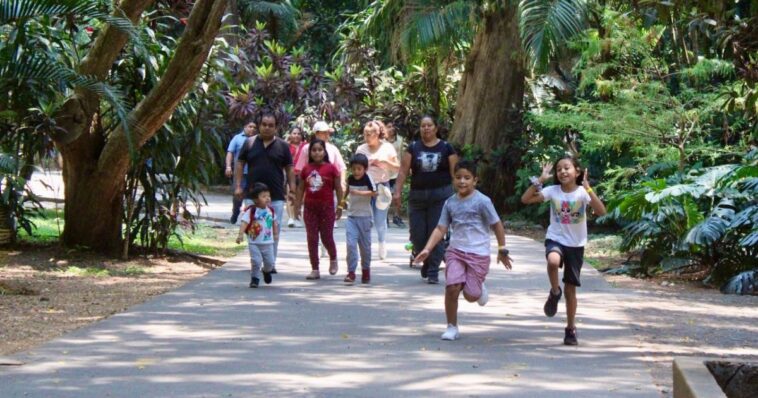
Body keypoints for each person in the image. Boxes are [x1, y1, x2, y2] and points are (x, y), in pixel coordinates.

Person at [414, 160, 513, 341]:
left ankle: (478, 288)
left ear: (475, 180)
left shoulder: (483, 202)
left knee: (471, 295)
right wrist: (427, 249)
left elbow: (497, 224)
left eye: (467, 178)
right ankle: (452, 326)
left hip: (478, 254)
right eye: (458, 177)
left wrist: (502, 248)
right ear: (453, 180)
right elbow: (441, 228)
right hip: (456, 252)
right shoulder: (450, 203)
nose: (462, 182)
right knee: (452, 288)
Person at [520, 155, 606, 345]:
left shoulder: (583, 193)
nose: (562, 172)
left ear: (577, 171)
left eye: (567, 168)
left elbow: (602, 211)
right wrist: (540, 180)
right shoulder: (552, 191)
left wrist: (589, 188)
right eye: (559, 169)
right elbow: (525, 199)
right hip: (556, 238)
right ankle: (554, 291)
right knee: (552, 261)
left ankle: (570, 328)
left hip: (576, 244)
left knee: (571, 290)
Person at [393, 115, 458, 284]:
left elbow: (455, 174)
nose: (426, 128)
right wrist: (397, 192)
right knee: (417, 235)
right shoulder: (413, 148)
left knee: (435, 233)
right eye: (423, 126)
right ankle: (427, 261)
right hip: (418, 197)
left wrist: (460, 196)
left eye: (429, 125)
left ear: (436, 128)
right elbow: (403, 172)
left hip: (441, 196)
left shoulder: (446, 148)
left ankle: (433, 271)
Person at [235, 112, 296, 270]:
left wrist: (292, 190)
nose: (267, 128)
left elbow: (290, 169)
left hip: (275, 196)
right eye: (264, 124)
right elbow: (240, 164)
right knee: (252, 228)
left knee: (273, 230)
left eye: (271, 125)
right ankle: (256, 261)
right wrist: (238, 186)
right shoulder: (249, 143)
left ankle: (270, 263)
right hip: (252, 196)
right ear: (259, 125)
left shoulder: (282, 146)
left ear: (276, 127)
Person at [294, 139, 344, 280]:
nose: (317, 153)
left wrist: (340, 206)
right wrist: (297, 206)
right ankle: (315, 268)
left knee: (327, 237)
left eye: (320, 150)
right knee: (312, 238)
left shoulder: (332, 169)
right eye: (314, 150)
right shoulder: (306, 169)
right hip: (310, 208)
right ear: (310, 152)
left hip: (327, 208)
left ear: (324, 151)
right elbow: (300, 188)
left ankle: (333, 258)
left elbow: (339, 189)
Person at [355, 120, 399, 260]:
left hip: (382, 187)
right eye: (365, 134)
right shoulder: (361, 149)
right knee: (364, 219)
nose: (367, 137)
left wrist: (385, 163)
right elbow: (355, 168)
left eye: (370, 134)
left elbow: (397, 167)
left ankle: (381, 242)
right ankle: (364, 246)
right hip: (365, 187)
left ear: (378, 133)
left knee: (380, 221)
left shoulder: (388, 148)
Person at [341, 153, 377, 284]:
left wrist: (359, 193)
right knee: (351, 245)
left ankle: (366, 270)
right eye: (354, 169)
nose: (356, 172)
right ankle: (351, 272)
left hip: (365, 217)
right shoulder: (350, 179)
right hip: (352, 216)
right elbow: (346, 192)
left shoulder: (368, 178)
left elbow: (374, 193)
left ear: (365, 169)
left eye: (359, 169)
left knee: (365, 247)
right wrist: (341, 204)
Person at [235, 183, 279, 288]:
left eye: (268, 196)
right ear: (256, 199)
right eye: (263, 196)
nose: (267, 198)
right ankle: (255, 278)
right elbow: (244, 222)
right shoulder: (252, 211)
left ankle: (266, 271)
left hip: (268, 242)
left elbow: (274, 223)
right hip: (254, 242)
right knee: (256, 261)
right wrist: (240, 234)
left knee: (270, 262)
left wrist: (276, 234)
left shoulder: (271, 211)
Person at [226, 120, 256, 224]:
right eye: (250, 126)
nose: (252, 129)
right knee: (238, 195)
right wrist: (228, 167)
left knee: (251, 196)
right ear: (245, 127)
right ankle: (235, 212)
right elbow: (230, 152)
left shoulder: (256, 140)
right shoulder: (237, 138)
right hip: (240, 173)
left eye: (254, 127)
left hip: (253, 173)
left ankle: (249, 218)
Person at [384, 121, 406, 227]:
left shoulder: (400, 140)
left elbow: (402, 155)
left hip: (397, 172)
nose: (391, 128)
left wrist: (405, 169)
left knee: (397, 195)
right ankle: (385, 218)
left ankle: (397, 216)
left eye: (393, 126)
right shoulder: (381, 141)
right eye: (389, 126)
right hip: (384, 173)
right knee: (385, 195)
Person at [286, 127, 305, 228]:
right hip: (291, 174)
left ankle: (297, 217)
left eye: (298, 133)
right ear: (290, 135)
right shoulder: (286, 146)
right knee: (290, 195)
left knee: (300, 198)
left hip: (302, 174)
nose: (296, 135)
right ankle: (291, 218)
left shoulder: (305, 146)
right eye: (294, 133)